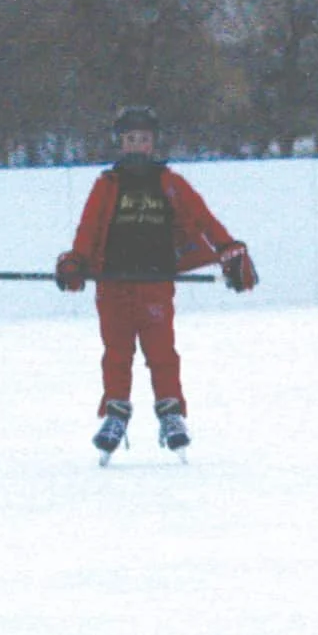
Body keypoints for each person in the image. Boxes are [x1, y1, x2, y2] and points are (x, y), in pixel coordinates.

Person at [55, 105, 258, 463]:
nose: (137, 146)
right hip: (113, 283)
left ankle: (171, 413)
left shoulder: (170, 183)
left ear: (153, 143)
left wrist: (228, 249)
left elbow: (203, 218)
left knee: (162, 352)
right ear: (120, 143)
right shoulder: (106, 185)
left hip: (155, 281)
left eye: (144, 140)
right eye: (131, 139)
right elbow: (88, 229)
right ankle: (115, 415)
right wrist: (76, 261)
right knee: (116, 353)